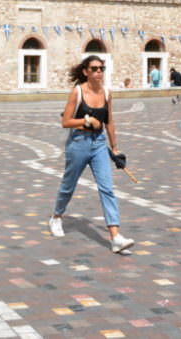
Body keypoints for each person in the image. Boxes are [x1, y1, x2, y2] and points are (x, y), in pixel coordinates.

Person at [48, 55, 135, 254]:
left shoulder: (106, 93)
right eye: (95, 68)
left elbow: (110, 122)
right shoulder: (77, 92)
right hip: (78, 143)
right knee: (68, 185)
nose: (99, 72)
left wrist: (115, 149)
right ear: (86, 71)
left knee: (107, 188)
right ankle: (57, 217)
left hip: (99, 144)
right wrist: (86, 121)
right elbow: (66, 121)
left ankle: (115, 237)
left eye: (102, 68)